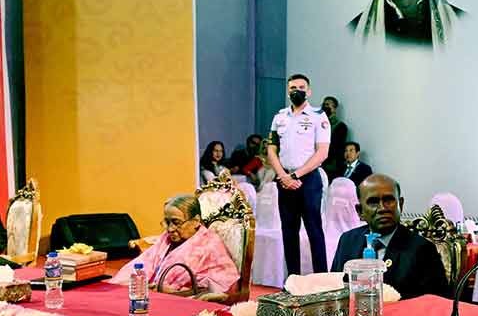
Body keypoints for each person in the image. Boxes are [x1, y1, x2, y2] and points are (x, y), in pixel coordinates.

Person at [331, 173, 448, 299]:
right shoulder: (347, 241)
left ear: (400, 205)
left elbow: (438, 304)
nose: (382, 208)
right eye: (373, 202)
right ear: (360, 211)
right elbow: (335, 290)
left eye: (388, 200)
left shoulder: (422, 250)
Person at [110, 194, 238, 294]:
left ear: (196, 221)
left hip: (185, 304)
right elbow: (141, 265)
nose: (170, 229)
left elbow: (223, 287)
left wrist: (176, 292)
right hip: (152, 295)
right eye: (167, 222)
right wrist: (136, 284)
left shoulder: (210, 246)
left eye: (176, 222)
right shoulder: (165, 240)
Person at [267, 73, 331, 274]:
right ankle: (292, 279)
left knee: (314, 230)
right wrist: (283, 176)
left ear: (309, 91)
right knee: (288, 232)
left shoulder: (318, 117)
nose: (297, 91)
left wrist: (296, 176)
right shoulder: (279, 117)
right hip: (284, 179)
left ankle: (322, 279)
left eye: (301, 88)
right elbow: (271, 149)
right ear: (288, 92)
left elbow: (322, 152)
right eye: (293, 88)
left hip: (309, 179)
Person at [321, 96, 349, 180]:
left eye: (327, 105)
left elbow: (335, 148)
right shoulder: (320, 124)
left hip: (331, 167)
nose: (324, 107)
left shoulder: (340, 126)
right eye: (324, 104)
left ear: (334, 108)